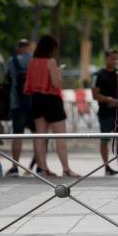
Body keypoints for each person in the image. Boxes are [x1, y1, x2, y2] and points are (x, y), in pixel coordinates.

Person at [24, 34, 79, 178]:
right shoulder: (50, 62)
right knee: (60, 136)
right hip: (51, 100)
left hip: (36, 99)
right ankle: (66, 169)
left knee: (40, 136)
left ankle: (43, 168)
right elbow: (56, 83)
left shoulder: (32, 62)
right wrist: (58, 73)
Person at [5, 39, 36, 176]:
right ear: (29, 48)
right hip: (34, 104)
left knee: (17, 136)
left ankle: (14, 167)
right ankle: (39, 167)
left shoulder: (12, 61)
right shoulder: (35, 61)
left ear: (18, 48)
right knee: (38, 136)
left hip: (16, 104)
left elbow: (7, 78)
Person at [91, 49, 118, 176]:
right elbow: (94, 95)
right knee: (105, 140)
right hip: (105, 113)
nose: (114, 61)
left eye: (116, 58)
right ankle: (106, 166)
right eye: (112, 58)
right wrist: (108, 99)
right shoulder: (97, 75)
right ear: (105, 59)